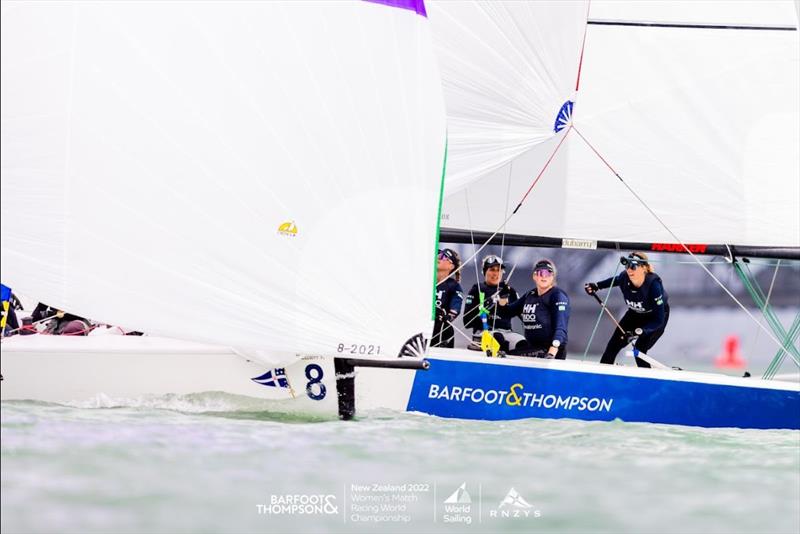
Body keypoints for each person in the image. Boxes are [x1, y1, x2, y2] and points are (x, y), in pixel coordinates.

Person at [585, 251, 669, 368]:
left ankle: (647, 380)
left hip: (654, 318)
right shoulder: (624, 277)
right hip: (634, 315)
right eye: (627, 266)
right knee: (612, 347)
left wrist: (639, 332)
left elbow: (659, 319)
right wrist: (597, 286)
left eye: (633, 266)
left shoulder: (653, 285)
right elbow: (615, 280)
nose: (629, 270)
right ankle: (602, 377)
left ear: (643, 268)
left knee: (639, 349)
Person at [498, 259, 570, 359]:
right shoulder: (530, 295)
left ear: (552, 277)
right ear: (534, 276)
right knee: (502, 351)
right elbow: (506, 313)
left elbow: (561, 327)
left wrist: (552, 352)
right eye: (541, 273)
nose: (544, 276)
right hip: (532, 347)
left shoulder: (557, 296)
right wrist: (503, 297)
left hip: (550, 350)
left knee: (507, 357)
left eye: (548, 273)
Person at [463, 255, 525, 352]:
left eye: (499, 270)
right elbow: (467, 322)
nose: (495, 273)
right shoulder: (477, 289)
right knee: (498, 338)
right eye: (492, 269)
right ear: (484, 271)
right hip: (484, 333)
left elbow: (523, 316)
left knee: (522, 343)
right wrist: (490, 301)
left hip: (507, 333)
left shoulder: (509, 291)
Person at [432, 248, 463, 348]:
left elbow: (456, 305)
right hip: (422, 323)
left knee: (445, 328)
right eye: (438, 254)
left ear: (451, 266)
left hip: (440, 327)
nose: (438, 257)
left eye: (443, 256)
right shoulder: (425, 279)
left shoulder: (453, 285)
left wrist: (449, 316)